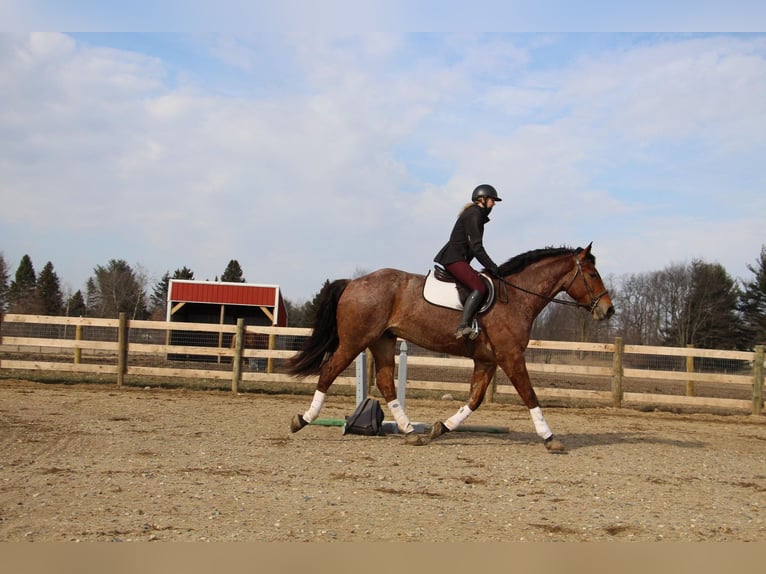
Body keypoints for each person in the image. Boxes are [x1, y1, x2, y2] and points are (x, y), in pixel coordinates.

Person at [434, 184, 502, 339]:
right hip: (454, 258)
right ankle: (463, 326)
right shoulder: (474, 214)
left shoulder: (476, 215)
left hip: (458, 259)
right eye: (492, 200)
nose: (494, 203)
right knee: (479, 287)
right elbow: (477, 248)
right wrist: (492, 266)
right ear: (482, 199)